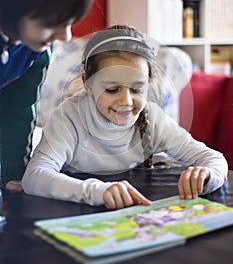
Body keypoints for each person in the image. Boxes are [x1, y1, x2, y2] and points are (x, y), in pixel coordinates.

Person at [22, 25, 228, 209]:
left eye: (137, 89)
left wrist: (207, 175)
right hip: (77, 211)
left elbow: (214, 159)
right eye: (112, 89)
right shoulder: (69, 117)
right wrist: (98, 191)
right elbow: (34, 176)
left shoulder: (152, 118)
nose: (126, 101)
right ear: (88, 83)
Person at [0, 0, 97, 189]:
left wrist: (12, 178)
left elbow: (17, 112)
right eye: (52, 22)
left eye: (69, 22)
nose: (65, 36)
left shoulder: (37, 48)